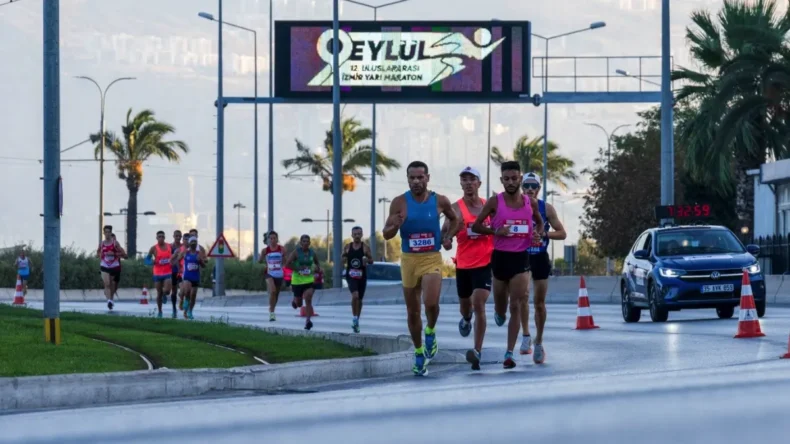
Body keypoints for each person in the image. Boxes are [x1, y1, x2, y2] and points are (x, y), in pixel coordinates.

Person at [383, 160, 459, 376]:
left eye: (420, 177)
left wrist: (447, 237)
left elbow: (456, 221)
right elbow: (386, 233)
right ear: (407, 179)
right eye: (412, 178)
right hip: (409, 260)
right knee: (413, 311)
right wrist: (394, 226)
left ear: (427, 178)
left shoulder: (440, 201)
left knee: (431, 303)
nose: (416, 181)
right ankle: (418, 353)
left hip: (431, 258)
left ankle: (431, 331)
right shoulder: (399, 203)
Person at [472, 161, 544, 369]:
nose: (511, 182)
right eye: (507, 179)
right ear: (502, 180)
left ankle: (509, 353)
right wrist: (495, 232)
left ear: (520, 179)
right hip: (500, 259)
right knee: (502, 308)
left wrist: (537, 234)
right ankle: (499, 313)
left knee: (516, 304)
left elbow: (539, 221)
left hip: (521, 258)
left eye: (514, 178)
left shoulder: (529, 203)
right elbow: (477, 225)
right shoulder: (495, 202)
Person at [441, 166, 494, 370]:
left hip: (486, 263)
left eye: (472, 179)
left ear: (479, 184)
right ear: (461, 184)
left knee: (478, 302)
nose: (468, 183)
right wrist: (445, 240)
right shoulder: (455, 208)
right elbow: (444, 232)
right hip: (463, 264)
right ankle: (465, 318)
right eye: (464, 179)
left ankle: (477, 351)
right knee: (466, 306)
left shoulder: (488, 206)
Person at [519, 173, 566, 364]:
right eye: (527, 186)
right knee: (522, 296)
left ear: (538, 188)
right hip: (521, 256)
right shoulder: (515, 207)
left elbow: (562, 233)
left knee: (539, 302)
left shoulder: (546, 208)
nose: (530, 189)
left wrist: (545, 233)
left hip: (540, 257)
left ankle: (539, 342)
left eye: (534, 186)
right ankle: (525, 335)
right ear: (522, 188)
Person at [284, 235, 321, 330]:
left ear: (309, 243)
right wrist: (298, 268)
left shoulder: (312, 253)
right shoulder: (296, 252)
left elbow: (317, 263)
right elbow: (287, 264)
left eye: (307, 241)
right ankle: (295, 301)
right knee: (299, 304)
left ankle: (308, 321)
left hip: (309, 280)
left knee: (308, 299)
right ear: (301, 243)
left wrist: (317, 269)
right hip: (297, 281)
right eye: (303, 241)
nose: (305, 243)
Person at [342, 226, 374, 333]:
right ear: (351, 235)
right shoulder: (347, 247)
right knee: (355, 296)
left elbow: (371, 260)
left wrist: (367, 260)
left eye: (359, 234)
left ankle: (356, 320)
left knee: (359, 299)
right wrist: (344, 258)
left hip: (361, 276)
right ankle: (354, 317)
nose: (357, 236)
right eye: (355, 234)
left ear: (362, 235)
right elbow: (342, 259)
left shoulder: (365, 247)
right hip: (351, 275)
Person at [172, 235, 206, 320]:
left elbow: (204, 265)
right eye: (192, 242)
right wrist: (177, 266)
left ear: (196, 243)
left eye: (195, 242)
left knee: (193, 295)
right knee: (187, 291)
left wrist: (200, 261)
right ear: (189, 243)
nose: (193, 243)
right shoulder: (185, 252)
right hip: (187, 276)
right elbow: (177, 259)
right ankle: (186, 300)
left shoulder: (199, 253)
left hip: (195, 277)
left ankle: (190, 311)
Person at [258, 231, 286, 322]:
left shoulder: (282, 249)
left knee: (276, 294)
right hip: (269, 273)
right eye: (271, 238)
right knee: (273, 290)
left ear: (277, 239)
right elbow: (259, 261)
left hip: (279, 273)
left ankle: (272, 308)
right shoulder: (265, 250)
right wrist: (262, 265)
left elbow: (285, 261)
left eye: (274, 238)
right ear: (268, 240)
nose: (273, 240)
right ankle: (272, 312)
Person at [98, 225, 126, 311]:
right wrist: (101, 255)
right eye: (105, 232)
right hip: (104, 265)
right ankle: (109, 301)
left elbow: (124, 254)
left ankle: (111, 299)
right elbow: (98, 253)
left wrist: (114, 254)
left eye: (108, 232)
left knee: (112, 284)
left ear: (111, 233)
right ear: (104, 233)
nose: (107, 234)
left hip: (114, 265)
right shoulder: (102, 244)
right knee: (107, 283)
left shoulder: (115, 243)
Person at [147, 231, 173, 318]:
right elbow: (146, 260)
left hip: (167, 272)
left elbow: (175, 255)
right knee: (159, 293)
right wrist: (152, 261)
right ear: (156, 238)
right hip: (157, 273)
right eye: (159, 237)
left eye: (162, 236)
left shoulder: (169, 246)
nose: (161, 238)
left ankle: (165, 295)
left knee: (167, 290)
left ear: (164, 238)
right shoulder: (153, 248)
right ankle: (160, 311)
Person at [169, 230, 183, 319]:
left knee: (183, 290)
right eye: (176, 236)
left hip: (181, 271)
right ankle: (174, 309)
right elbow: (169, 259)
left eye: (179, 236)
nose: (178, 237)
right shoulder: (170, 247)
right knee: (173, 291)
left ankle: (182, 300)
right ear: (173, 236)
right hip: (173, 271)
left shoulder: (183, 247)